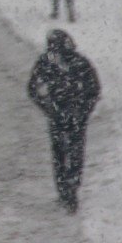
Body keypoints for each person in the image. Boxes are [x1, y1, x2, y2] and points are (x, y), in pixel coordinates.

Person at [28, 29, 100, 214]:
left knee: (69, 153)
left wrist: (83, 110)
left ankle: (70, 189)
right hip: (62, 116)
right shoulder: (51, 62)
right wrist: (48, 108)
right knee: (64, 153)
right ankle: (66, 190)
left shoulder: (74, 62)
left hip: (72, 116)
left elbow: (94, 88)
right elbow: (32, 88)